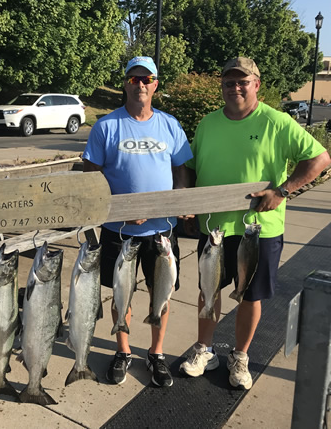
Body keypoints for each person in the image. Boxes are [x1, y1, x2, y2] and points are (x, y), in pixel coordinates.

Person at [180, 57, 331, 390]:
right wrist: (186, 199)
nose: (235, 87)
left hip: (257, 231)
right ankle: (205, 350)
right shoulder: (208, 124)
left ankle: (240, 356)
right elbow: (189, 165)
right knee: (208, 293)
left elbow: (320, 158)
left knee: (250, 296)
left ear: (256, 84)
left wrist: (283, 190)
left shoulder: (276, 122)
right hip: (214, 228)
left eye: (242, 82)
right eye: (229, 82)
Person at [82, 56, 193, 387]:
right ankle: (123, 350)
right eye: (133, 79)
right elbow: (91, 177)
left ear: (156, 84)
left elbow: (181, 170)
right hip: (119, 230)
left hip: (162, 231)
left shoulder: (170, 125)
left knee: (162, 293)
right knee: (121, 295)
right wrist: (118, 209)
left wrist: (180, 199)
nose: (140, 85)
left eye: (146, 79)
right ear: (125, 84)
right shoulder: (106, 126)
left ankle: (157, 353)